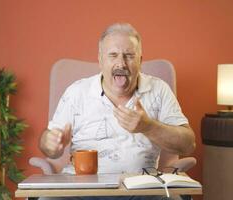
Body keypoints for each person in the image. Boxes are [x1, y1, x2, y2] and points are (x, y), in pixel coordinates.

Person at [39, 23, 196, 200]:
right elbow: (48, 147)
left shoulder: (159, 90)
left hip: (143, 192)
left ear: (140, 60)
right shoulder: (77, 91)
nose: (121, 63)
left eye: (129, 55)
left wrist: (148, 127)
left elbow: (188, 144)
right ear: (100, 60)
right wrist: (51, 143)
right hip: (80, 192)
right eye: (113, 55)